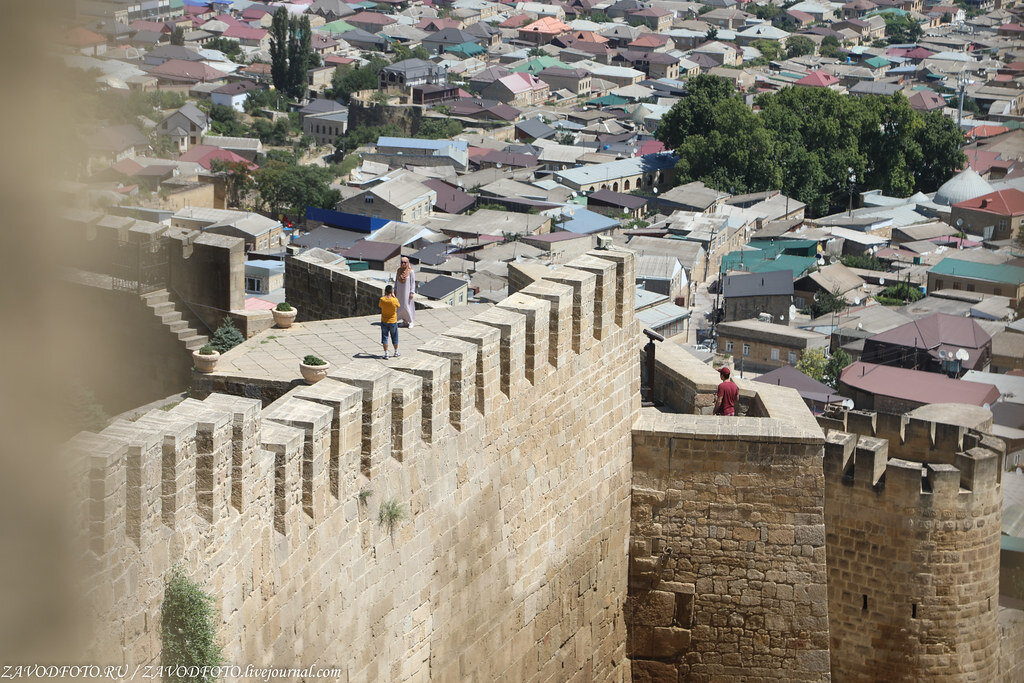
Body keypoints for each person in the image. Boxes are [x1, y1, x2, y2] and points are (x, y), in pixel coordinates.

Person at [379, 284, 400, 359]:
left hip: (384, 321)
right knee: (394, 337)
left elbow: (380, 305)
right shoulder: (394, 300)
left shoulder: (382, 299)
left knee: (385, 337)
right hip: (393, 321)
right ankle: (396, 351)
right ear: (392, 291)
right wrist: (394, 297)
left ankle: (386, 353)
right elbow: (398, 306)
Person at [394, 256, 415, 328]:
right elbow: (396, 281)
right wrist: (395, 289)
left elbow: (413, 283)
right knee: (400, 306)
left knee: (407, 306)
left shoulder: (411, 271)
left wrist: (412, 292)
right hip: (400, 292)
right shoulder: (399, 271)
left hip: (407, 292)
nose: (403, 264)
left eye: (405, 262)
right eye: (402, 262)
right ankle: (404, 321)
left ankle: (411, 321)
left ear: (408, 263)